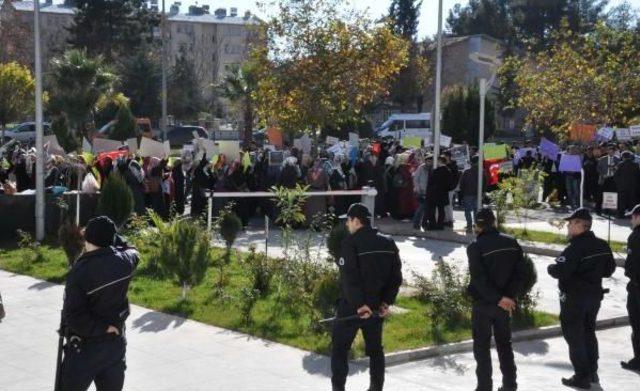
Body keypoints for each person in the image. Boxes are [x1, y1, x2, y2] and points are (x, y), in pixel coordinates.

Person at [58, 216, 139, 391]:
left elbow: (74, 317)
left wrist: (102, 329)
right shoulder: (125, 261)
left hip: (84, 350)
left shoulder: (80, 272)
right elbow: (133, 250)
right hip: (115, 344)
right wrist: (113, 239)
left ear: (88, 238)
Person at [331, 203, 403, 391]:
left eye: (348, 220)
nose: (347, 225)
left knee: (339, 350)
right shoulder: (388, 242)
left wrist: (360, 305)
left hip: (353, 309)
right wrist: (387, 302)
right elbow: (395, 277)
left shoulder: (350, 243)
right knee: (375, 351)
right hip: (377, 308)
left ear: (356, 220)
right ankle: (376, 388)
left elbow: (349, 279)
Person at [547, 208, 616, 389]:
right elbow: (609, 270)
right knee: (588, 332)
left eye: (571, 223)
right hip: (594, 297)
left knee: (575, 336)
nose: (568, 226)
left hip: (575, 299)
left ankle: (581, 376)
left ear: (580, 225)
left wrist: (551, 268)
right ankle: (592, 371)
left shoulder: (574, 248)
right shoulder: (602, 245)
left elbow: (560, 271)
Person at [467, 208, 525, 391]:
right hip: (504, 305)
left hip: (484, 304)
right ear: (494, 222)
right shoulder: (511, 242)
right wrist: (508, 297)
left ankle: (484, 387)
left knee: (482, 348)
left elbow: (479, 279)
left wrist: (498, 298)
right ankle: (510, 385)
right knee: (504, 345)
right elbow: (519, 274)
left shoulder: (475, 246)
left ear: (477, 225)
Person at [622, 204, 640, 372]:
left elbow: (632, 265)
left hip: (637, 287)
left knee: (637, 324)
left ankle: (638, 360)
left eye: (633, 217)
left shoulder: (635, 237)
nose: (631, 220)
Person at [424, 155, 451, 230]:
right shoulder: (448, 171)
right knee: (441, 210)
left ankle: (432, 224)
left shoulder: (436, 171)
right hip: (443, 194)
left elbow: (431, 182)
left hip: (434, 194)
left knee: (432, 210)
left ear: (440, 161)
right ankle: (440, 225)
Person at [459, 155, 483, 233]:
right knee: (476, 210)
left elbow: (462, 184)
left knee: (467, 210)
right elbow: (485, 183)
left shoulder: (467, 172)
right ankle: (476, 225)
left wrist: (462, 193)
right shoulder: (482, 171)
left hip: (467, 193)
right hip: (477, 194)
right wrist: (483, 192)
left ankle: (469, 226)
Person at [614, 151, 640, 218]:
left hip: (622, 187)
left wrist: (618, 184)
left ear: (623, 157)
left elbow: (616, 176)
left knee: (621, 202)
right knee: (632, 202)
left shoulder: (620, 164)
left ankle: (621, 215)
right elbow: (638, 176)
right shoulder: (636, 165)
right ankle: (630, 215)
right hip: (633, 187)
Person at [411, 154, 431, 230]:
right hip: (421, 192)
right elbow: (415, 179)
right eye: (428, 161)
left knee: (426, 209)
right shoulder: (421, 168)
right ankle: (416, 223)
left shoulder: (432, 168)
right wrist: (418, 189)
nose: (430, 162)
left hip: (429, 192)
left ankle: (424, 223)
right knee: (421, 208)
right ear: (426, 161)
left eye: (431, 161)